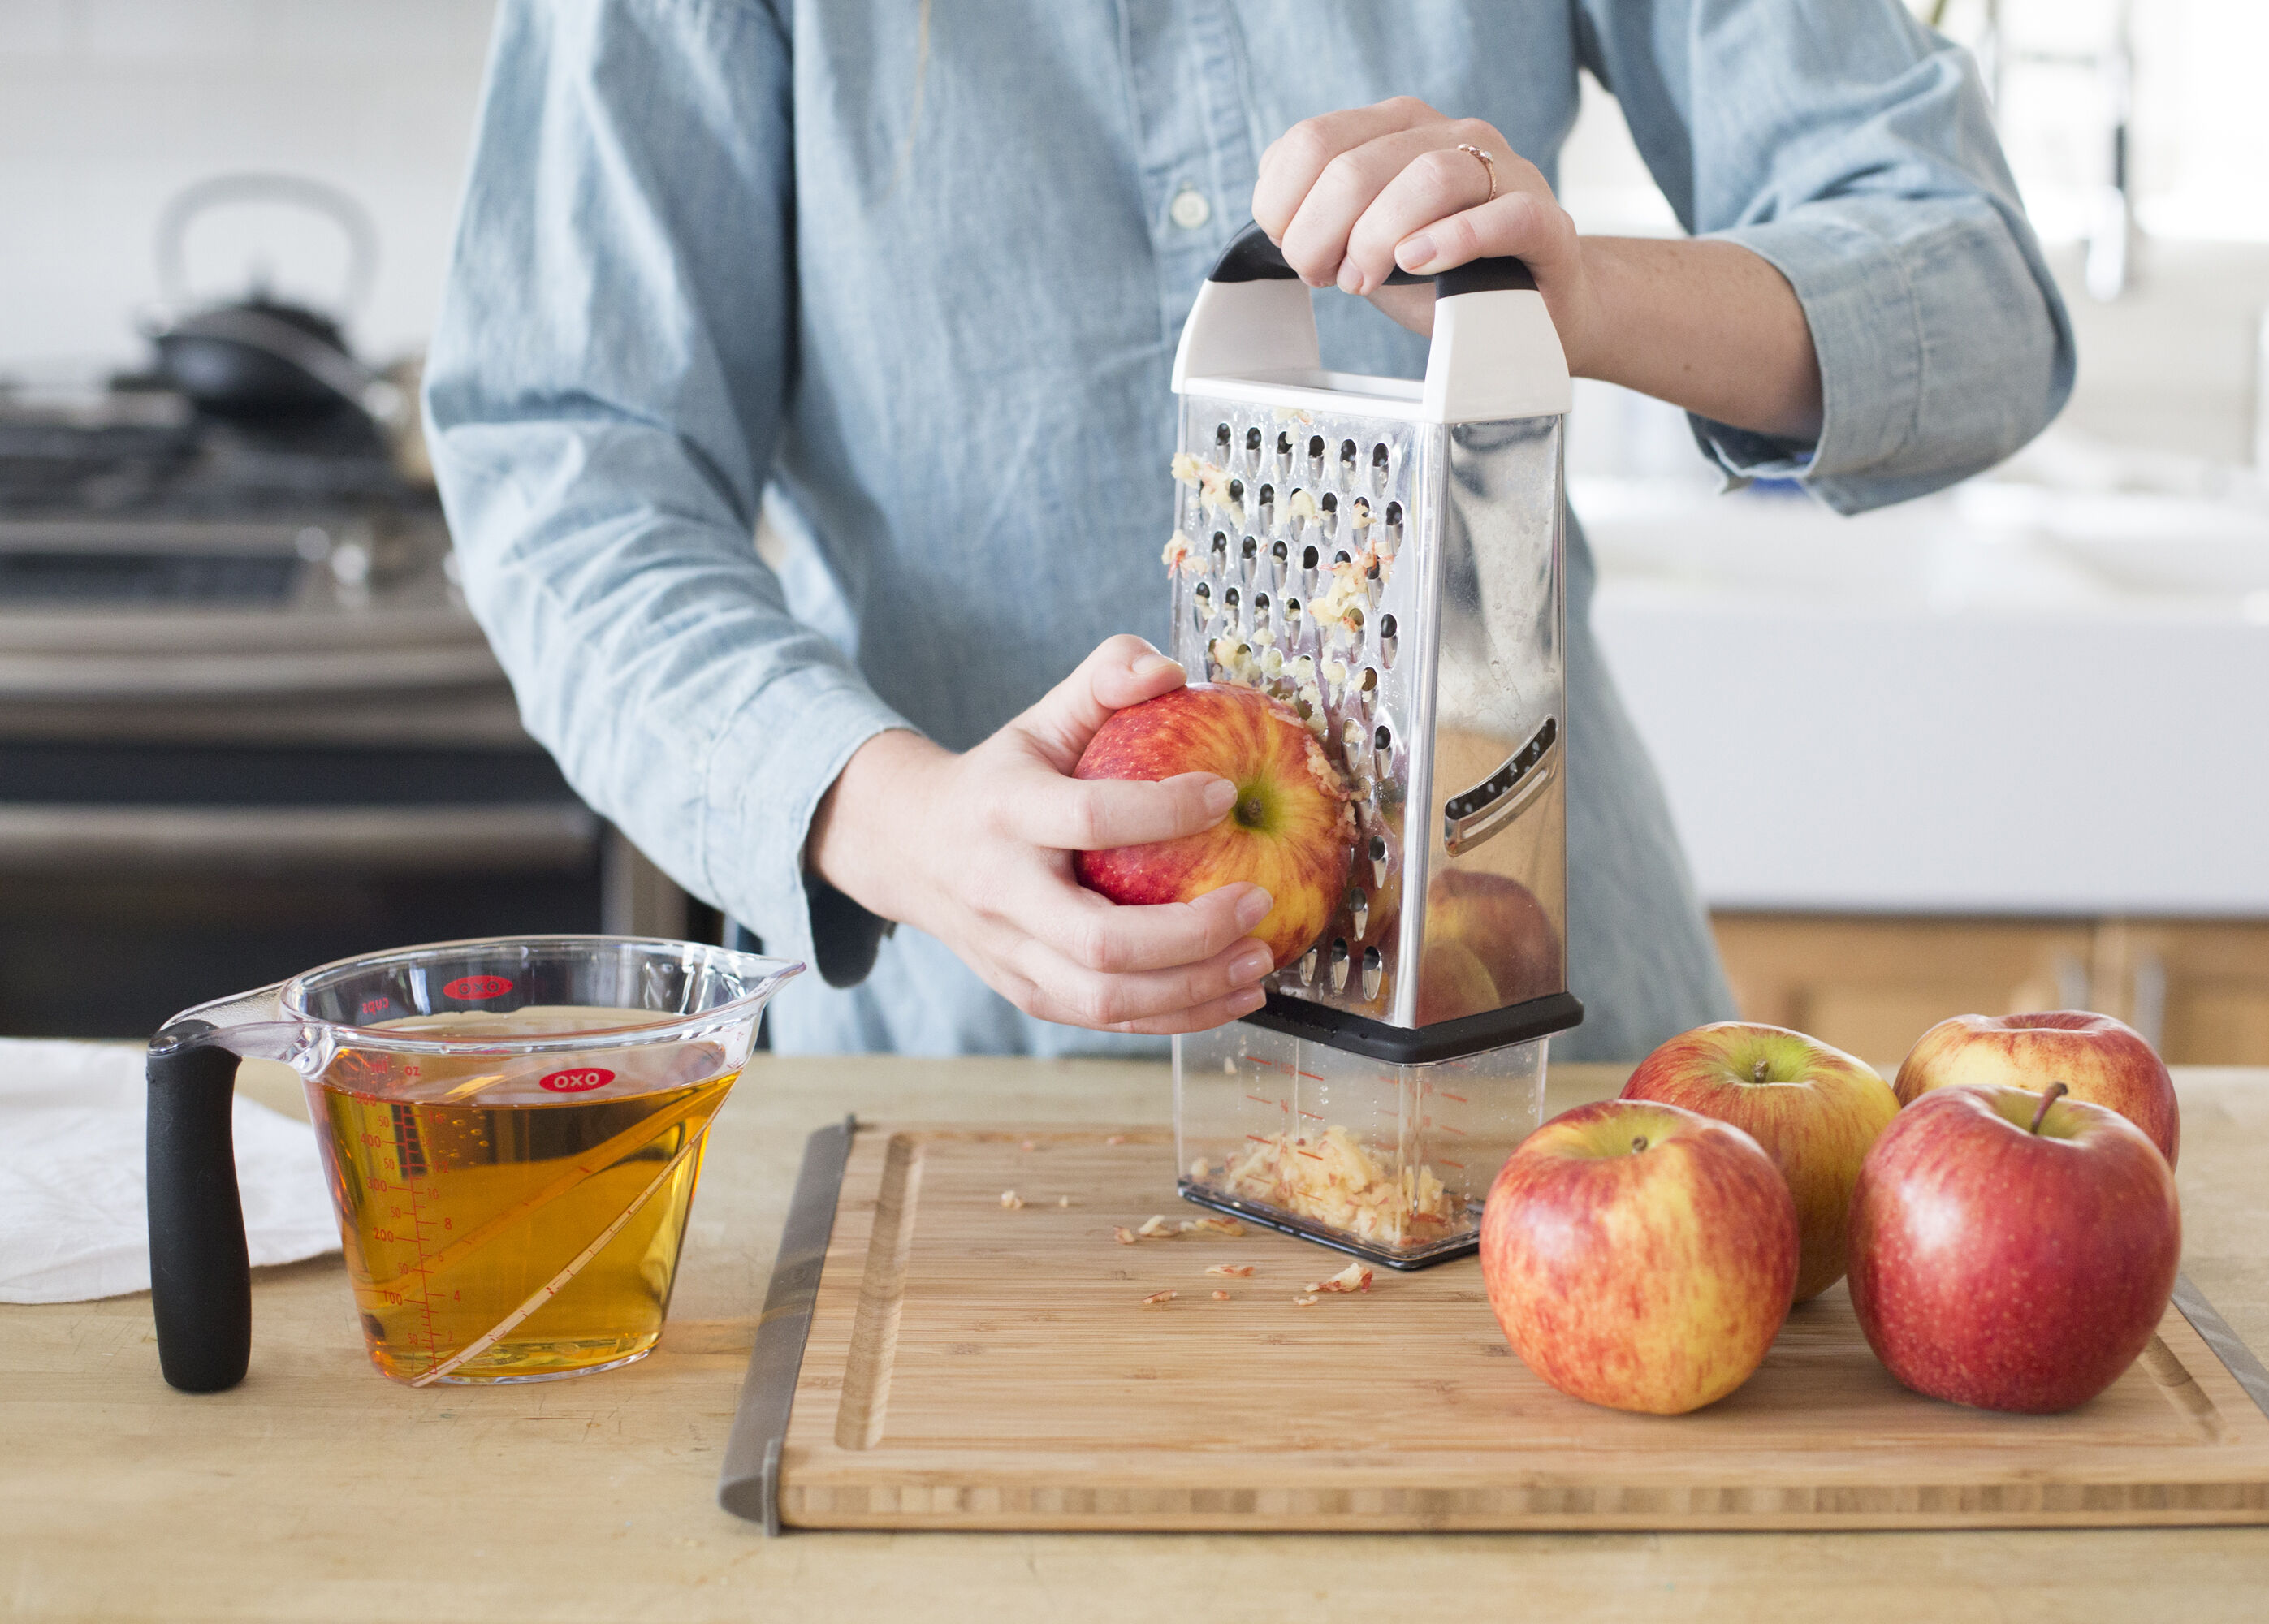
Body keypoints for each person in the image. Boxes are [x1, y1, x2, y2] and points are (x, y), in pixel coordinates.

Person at [424, 1, 2071, 1060]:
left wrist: (1582, 287)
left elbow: (1980, 294)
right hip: (976, 1099)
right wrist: (893, 818)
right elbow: (569, 465)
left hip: (1538, 1056)